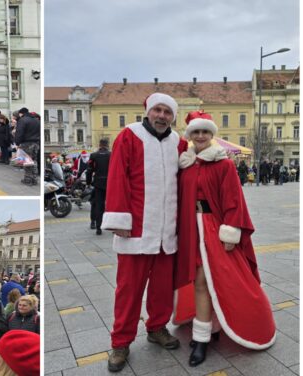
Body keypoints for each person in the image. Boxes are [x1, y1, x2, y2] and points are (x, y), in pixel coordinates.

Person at [174, 110, 276, 366]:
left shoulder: (224, 164)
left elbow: (234, 200)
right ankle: (208, 331)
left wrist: (231, 231)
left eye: (205, 132)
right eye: (195, 132)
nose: (200, 136)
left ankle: (205, 337)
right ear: (189, 135)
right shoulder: (184, 165)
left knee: (215, 279)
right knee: (199, 280)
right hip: (191, 229)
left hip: (214, 228)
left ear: (211, 135)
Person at [100, 93, 186, 372]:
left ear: (173, 116)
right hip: (135, 231)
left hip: (166, 232)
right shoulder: (129, 136)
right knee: (129, 291)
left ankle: (157, 327)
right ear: (148, 111)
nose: (162, 116)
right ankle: (121, 342)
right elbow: (117, 178)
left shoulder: (178, 142)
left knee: (162, 288)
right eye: (157, 110)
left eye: (167, 112)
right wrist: (119, 221)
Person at [87, 138, 111, 234]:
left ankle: (97, 227)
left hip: (98, 183)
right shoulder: (111, 155)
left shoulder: (93, 155)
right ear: (107, 145)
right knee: (111, 205)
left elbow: (89, 170)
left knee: (97, 204)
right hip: (109, 183)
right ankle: (112, 225)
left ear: (100, 145)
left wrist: (88, 183)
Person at [14, 107, 40, 186]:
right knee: (34, 161)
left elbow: (19, 133)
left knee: (27, 162)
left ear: (21, 113)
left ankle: (28, 179)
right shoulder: (36, 120)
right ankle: (34, 179)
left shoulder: (22, 120)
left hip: (26, 144)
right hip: (36, 143)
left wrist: (17, 143)